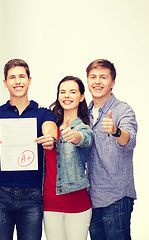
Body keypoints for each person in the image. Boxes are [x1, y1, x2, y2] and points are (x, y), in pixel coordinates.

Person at [0, 58, 58, 240]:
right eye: (12, 77)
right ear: (5, 83)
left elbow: (50, 128)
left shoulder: (43, 113)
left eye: (22, 76)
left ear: (29, 80)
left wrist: (51, 137)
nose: (17, 81)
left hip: (32, 194)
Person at [86, 59, 138, 240]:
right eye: (93, 77)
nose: (97, 82)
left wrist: (116, 131)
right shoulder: (85, 112)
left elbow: (129, 139)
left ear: (112, 82)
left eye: (103, 77)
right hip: (91, 197)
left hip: (116, 197)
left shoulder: (122, 110)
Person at [43, 76, 94, 240]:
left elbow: (86, 138)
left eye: (72, 92)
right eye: (62, 92)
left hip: (77, 204)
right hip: (50, 204)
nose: (67, 96)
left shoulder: (83, 128)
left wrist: (74, 135)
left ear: (81, 97)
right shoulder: (49, 126)